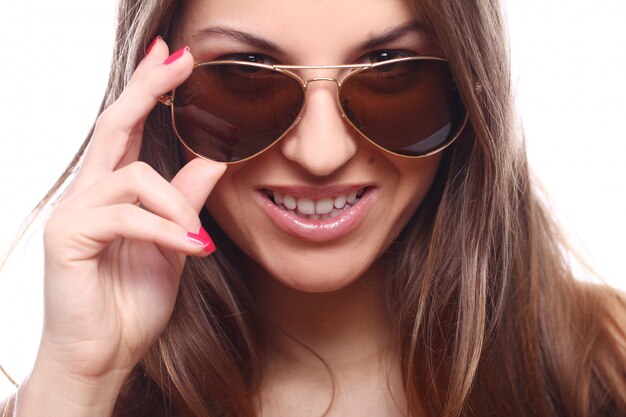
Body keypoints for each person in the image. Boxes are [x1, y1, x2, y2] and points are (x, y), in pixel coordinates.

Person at [2, 0, 626, 416]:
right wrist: (77, 387)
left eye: (390, 70)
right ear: (157, 93)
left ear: (468, 86)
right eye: (245, 76)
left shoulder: (609, 360)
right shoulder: (64, 393)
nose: (321, 154)